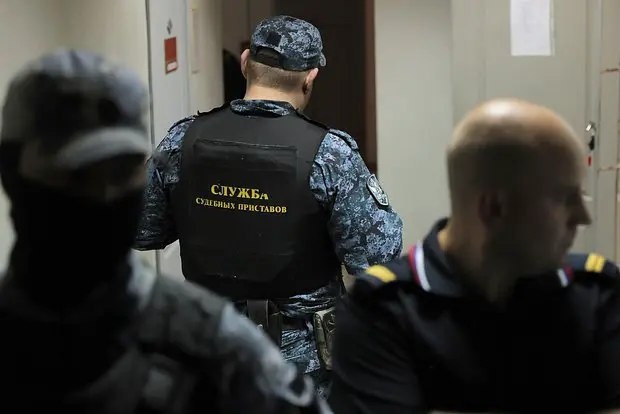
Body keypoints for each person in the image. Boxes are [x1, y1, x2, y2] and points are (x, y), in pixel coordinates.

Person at [0, 49, 331, 413]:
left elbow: (147, 231)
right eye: (76, 177)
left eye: (121, 172)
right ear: (11, 173)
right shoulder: (327, 151)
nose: (105, 195)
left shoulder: (210, 342)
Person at [134, 15, 403, 397]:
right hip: (301, 361)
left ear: (245, 62)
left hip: (210, 346)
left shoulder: (184, 140)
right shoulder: (329, 154)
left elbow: (141, 229)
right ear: (310, 77)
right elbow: (377, 255)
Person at [328, 99, 620, 413]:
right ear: (494, 208)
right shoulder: (384, 309)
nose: (583, 216)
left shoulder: (595, 295)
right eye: (565, 198)